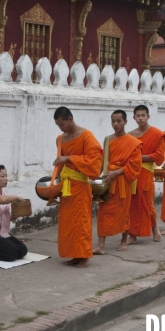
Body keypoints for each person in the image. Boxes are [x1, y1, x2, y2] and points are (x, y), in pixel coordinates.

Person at [53, 107, 103, 268]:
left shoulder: (86, 136)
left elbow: (95, 160)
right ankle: (73, 254)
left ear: (70, 119)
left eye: (62, 124)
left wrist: (68, 157)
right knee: (68, 222)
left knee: (81, 222)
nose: (61, 128)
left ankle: (84, 255)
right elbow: (59, 164)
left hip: (80, 186)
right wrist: (55, 186)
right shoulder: (61, 138)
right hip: (66, 186)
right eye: (58, 126)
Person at [93, 110, 142, 254]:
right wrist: (95, 175)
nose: (115, 124)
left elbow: (135, 164)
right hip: (108, 181)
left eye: (119, 121)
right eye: (113, 121)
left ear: (125, 122)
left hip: (122, 181)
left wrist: (117, 172)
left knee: (123, 212)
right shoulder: (108, 139)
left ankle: (123, 240)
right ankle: (101, 246)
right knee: (103, 212)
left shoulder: (133, 142)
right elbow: (103, 159)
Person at [128, 105, 165, 244]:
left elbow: (159, 156)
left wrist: (139, 158)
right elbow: (127, 154)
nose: (141, 118)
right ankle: (133, 234)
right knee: (132, 204)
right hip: (133, 173)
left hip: (146, 173)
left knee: (147, 203)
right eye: (138, 115)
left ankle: (154, 227)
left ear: (148, 116)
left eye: (143, 115)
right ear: (134, 118)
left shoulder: (156, 134)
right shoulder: (130, 135)